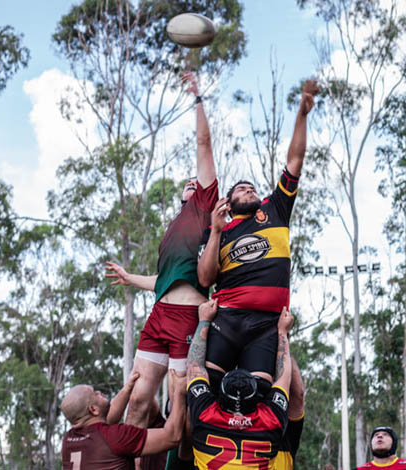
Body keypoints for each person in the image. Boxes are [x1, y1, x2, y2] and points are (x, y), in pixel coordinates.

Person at [105, 71, 218, 429]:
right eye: (186, 184)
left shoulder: (205, 206)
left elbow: (203, 143)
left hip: (188, 320)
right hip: (157, 317)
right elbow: (165, 279)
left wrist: (197, 97)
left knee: (180, 406)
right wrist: (128, 278)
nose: (191, 183)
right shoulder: (176, 228)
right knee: (137, 401)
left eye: (194, 181)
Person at [197, 79, 320, 385]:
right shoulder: (221, 229)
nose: (249, 189)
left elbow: (295, 160)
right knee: (207, 390)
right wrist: (215, 232)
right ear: (229, 200)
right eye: (241, 188)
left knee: (261, 392)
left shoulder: (275, 208)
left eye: (252, 187)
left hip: (266, 324)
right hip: (227, 320)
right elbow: (205, 278)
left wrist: (302, 115)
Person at [185, 298, 294, 469]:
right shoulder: (270, 420)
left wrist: (204, 320)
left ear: (219, 396)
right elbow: (284, 377)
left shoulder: (205, 414)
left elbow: (194, 366)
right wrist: (282, 332)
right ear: (257, 400)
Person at [60, 370, 186, 470]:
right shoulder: (115, 436)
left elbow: (104, 421)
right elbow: (172, 436)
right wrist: (179, 392)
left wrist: (127, 389)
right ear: (93, 409)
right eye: (95, 394)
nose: (99, 392)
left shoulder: (68, 440)